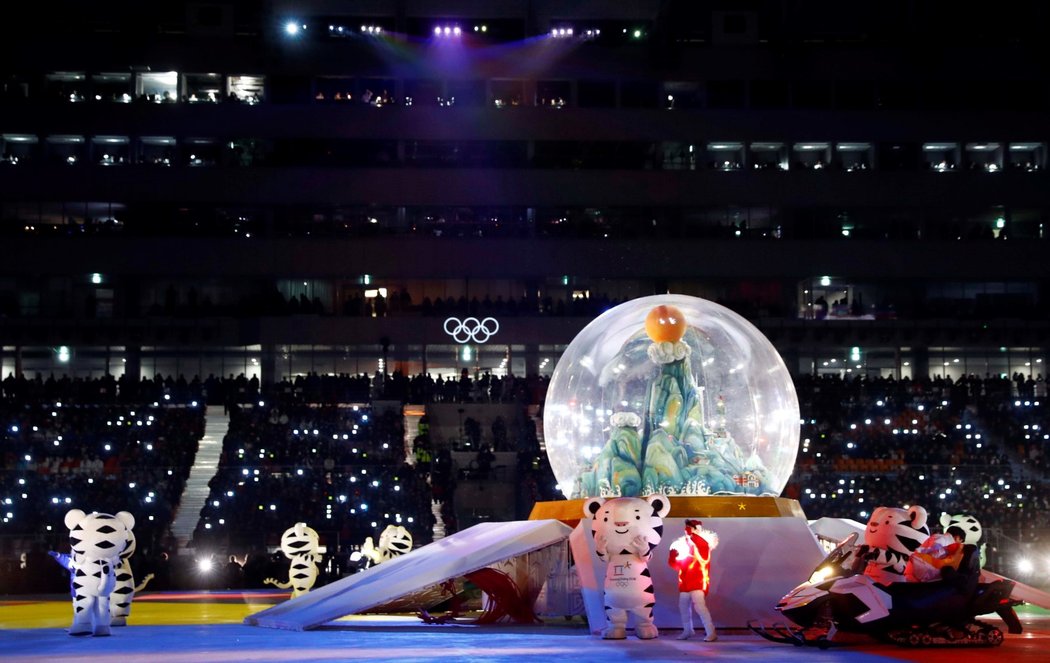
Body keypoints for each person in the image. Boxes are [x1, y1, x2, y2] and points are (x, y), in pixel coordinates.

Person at [667, 519, 718, 641]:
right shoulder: (683, 545)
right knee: (683, 606)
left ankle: (711, 632)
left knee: (700, 607)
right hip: (684, 583)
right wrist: (672, 558)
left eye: (690, 528)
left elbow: (702, 551)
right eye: (687, 528)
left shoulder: (703, 545)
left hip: (697, 582)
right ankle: (688, 630)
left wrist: (692, 535)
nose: (687, 530)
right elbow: (677, 566)